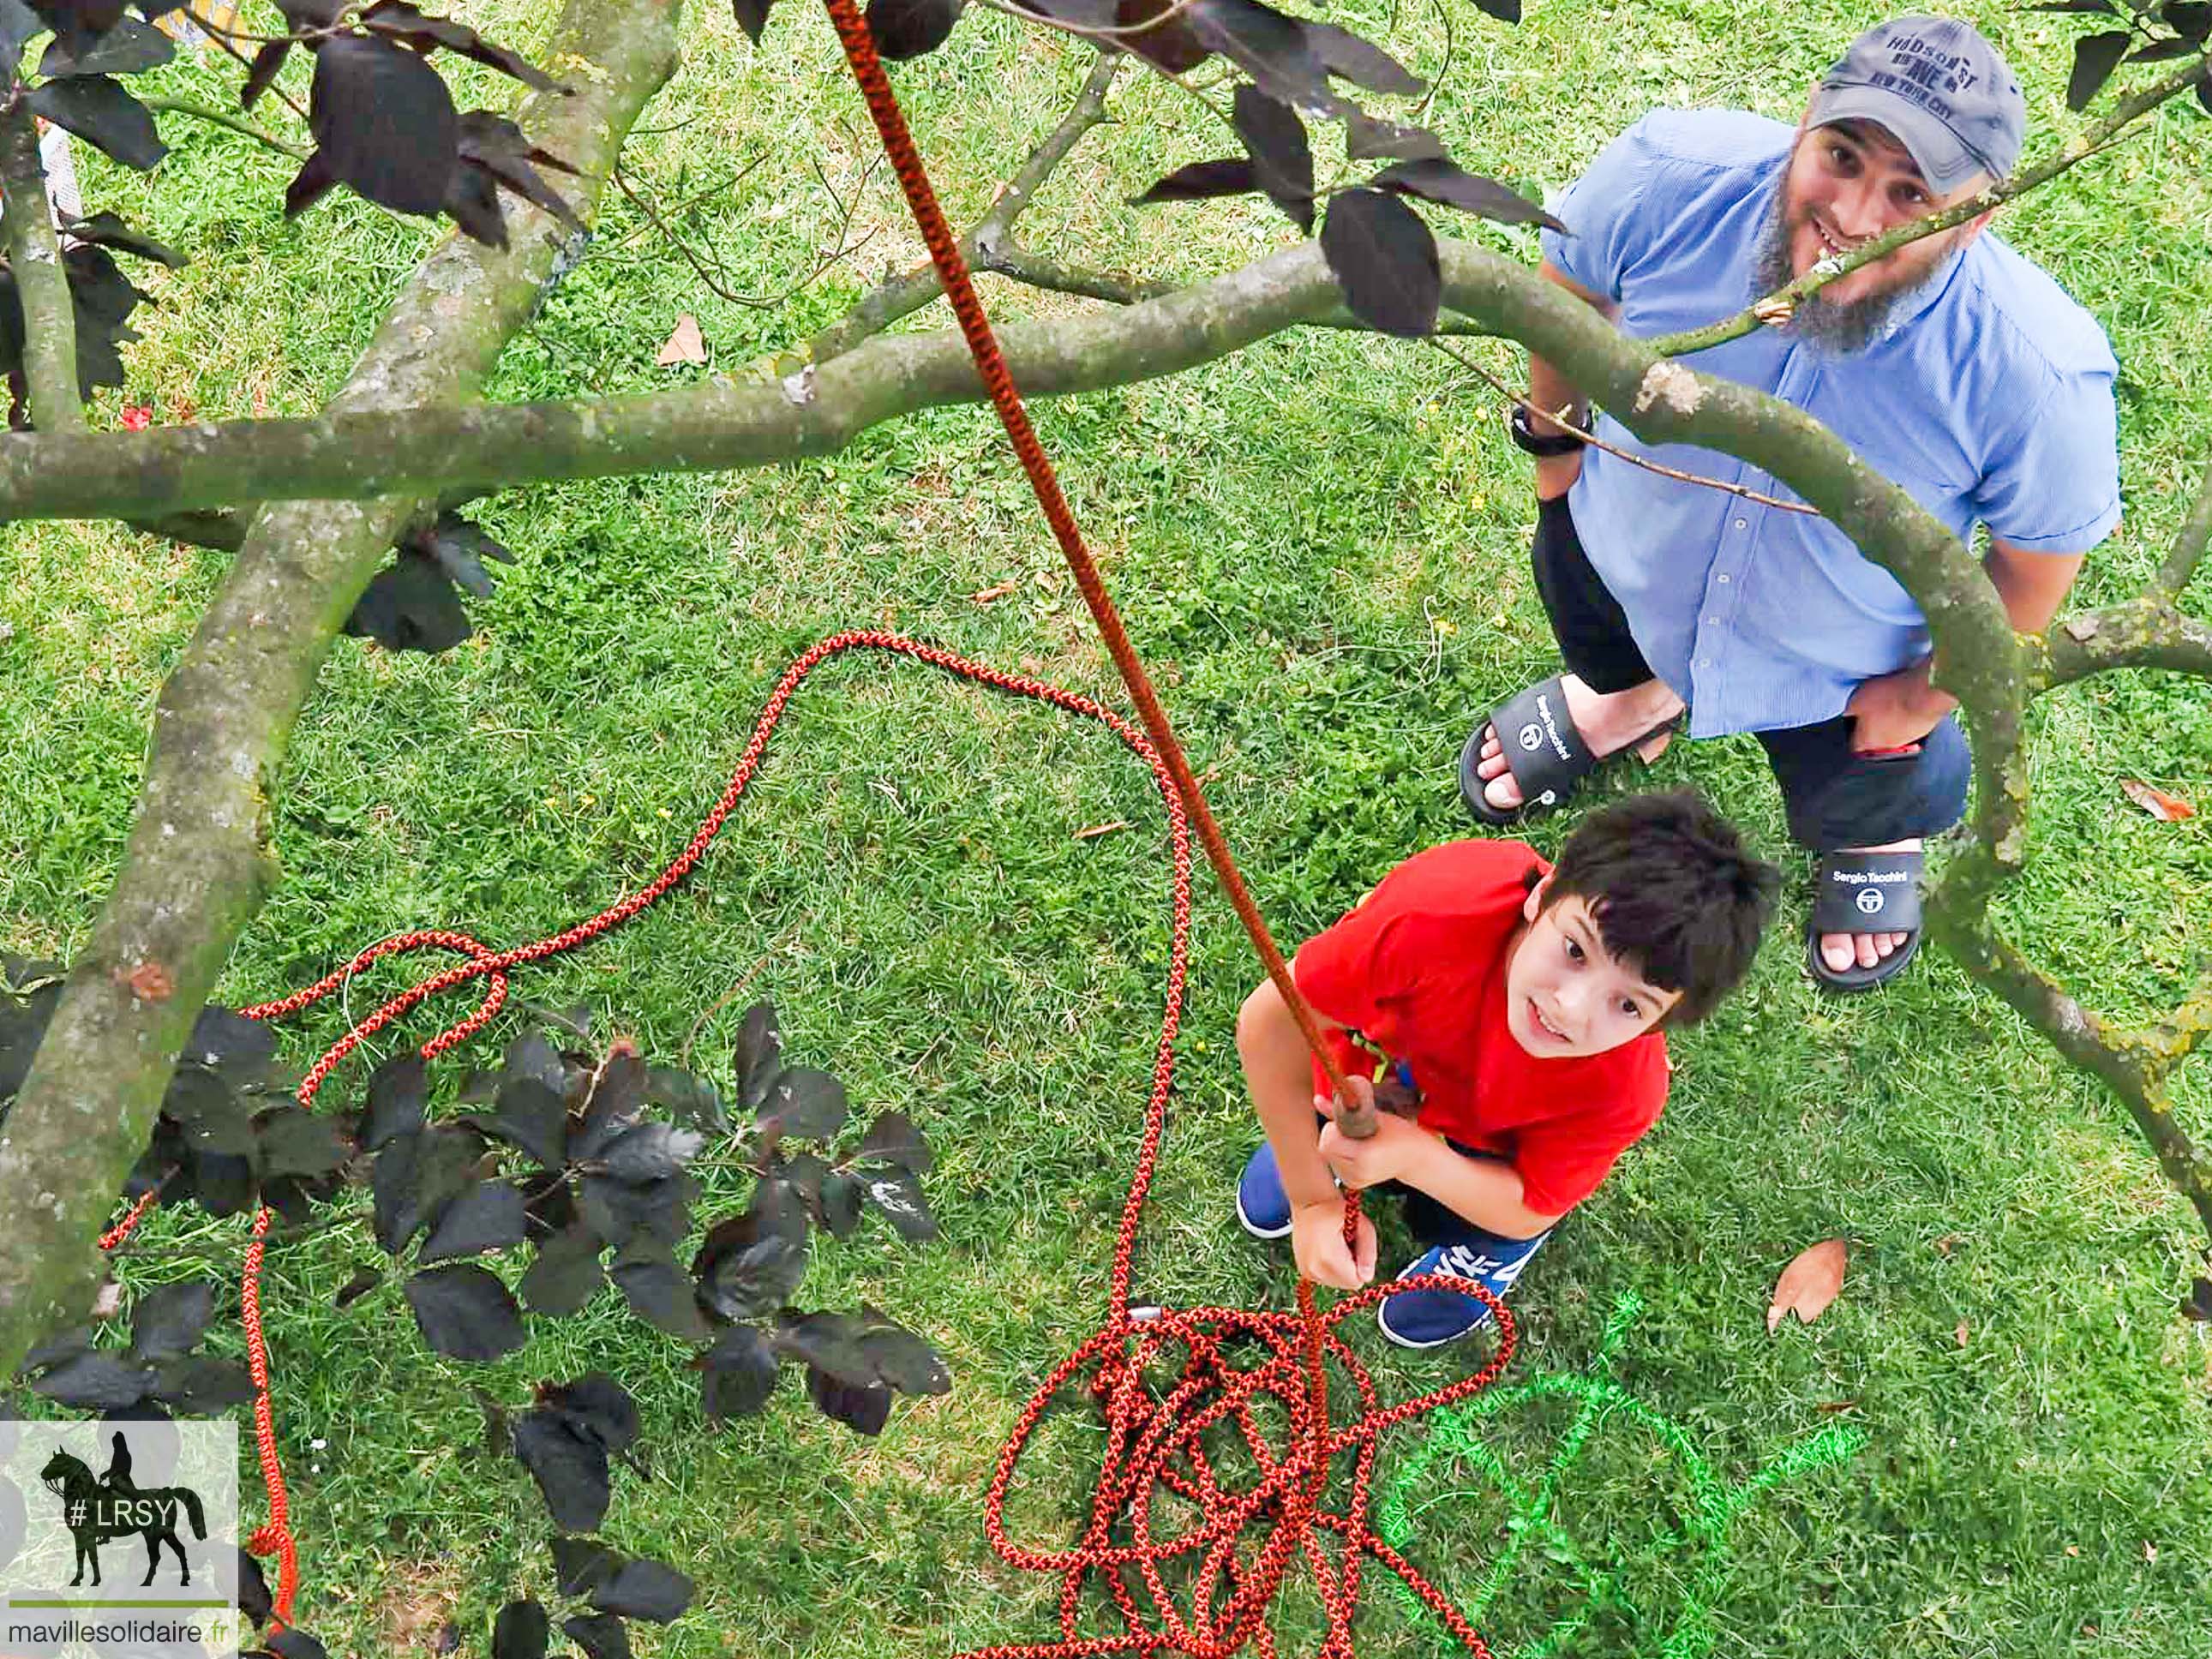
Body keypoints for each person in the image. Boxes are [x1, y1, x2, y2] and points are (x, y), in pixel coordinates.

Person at [1459, 14, 2120, 991]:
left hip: (1840, 673)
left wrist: (1919, 694)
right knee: (1595, 636)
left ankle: (1874, 845)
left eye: (1912, 195)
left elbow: (2031, 567)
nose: (1852, 216)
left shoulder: (2036, 375)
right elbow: (1562, 294)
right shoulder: (1662, 176)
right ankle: (1628, 696)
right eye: (1841, 155)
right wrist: (1552, 445)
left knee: (1875, 790)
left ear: (1976, 216)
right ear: (1804, 118)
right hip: (1623, 557)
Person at [1234, 791, 1778, 1347]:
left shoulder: (1624, 1090)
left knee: (1472, 1218)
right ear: (1542, 895)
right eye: (1574, 950)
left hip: (1493, 1152)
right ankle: (1306, 1148)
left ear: (1658, 1026)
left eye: (1628, 1005)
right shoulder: (1432, 913)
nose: (1569, 1006)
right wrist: (1310, 1195)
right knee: (1316, 1109)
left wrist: (1421, 1160)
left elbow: (1528, 1206)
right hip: (1378, 1076)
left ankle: (1481, 1258)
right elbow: (1272, 1021)